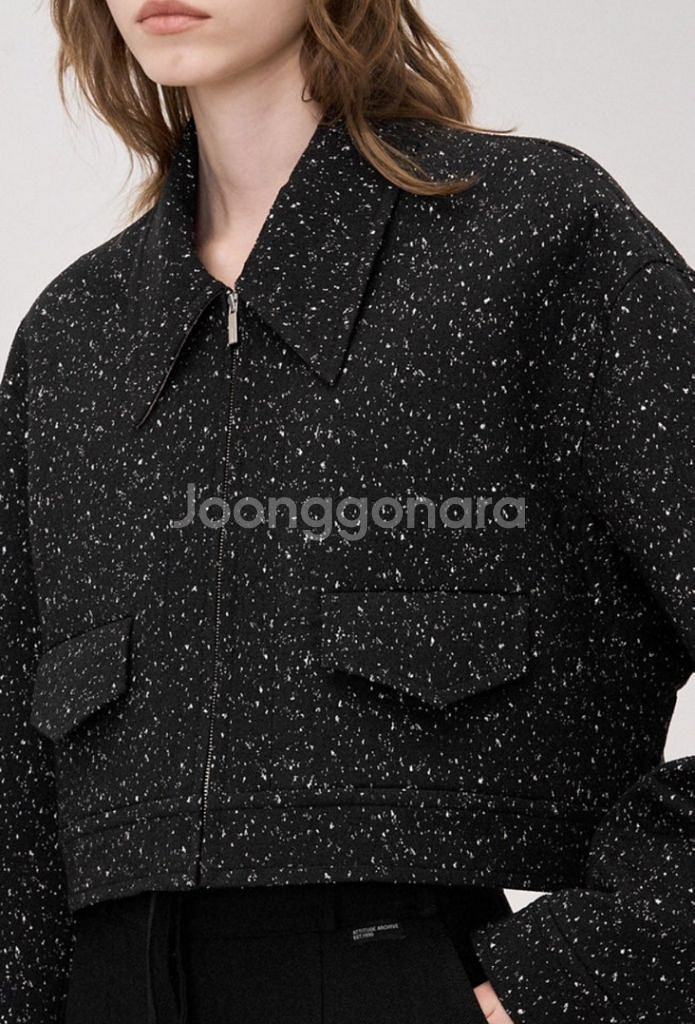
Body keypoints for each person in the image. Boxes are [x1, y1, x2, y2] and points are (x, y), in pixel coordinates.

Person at [1, 0, 693, 1021]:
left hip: (405, 964)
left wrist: (581, 967)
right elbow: (19, 800)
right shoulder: (73, 337)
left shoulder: (533, 237)